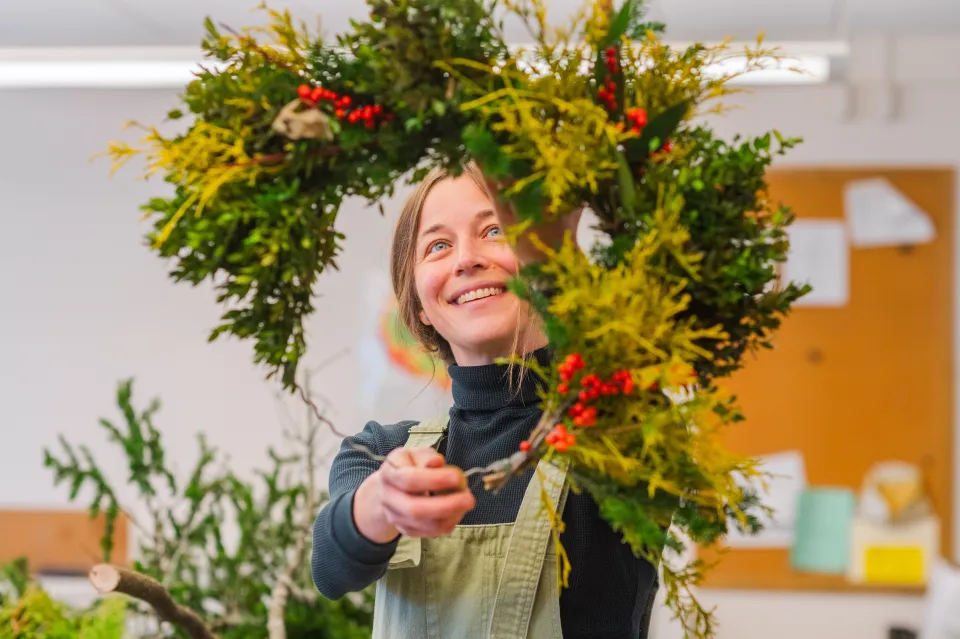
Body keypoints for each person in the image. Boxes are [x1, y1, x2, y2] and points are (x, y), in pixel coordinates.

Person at [311, 162, 660, 638]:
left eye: (495, 230)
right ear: (416, 304)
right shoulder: (378, 452)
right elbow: (332, 569)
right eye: (438, 245)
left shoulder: (611, 435)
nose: (466, 259)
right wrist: (382, 504)